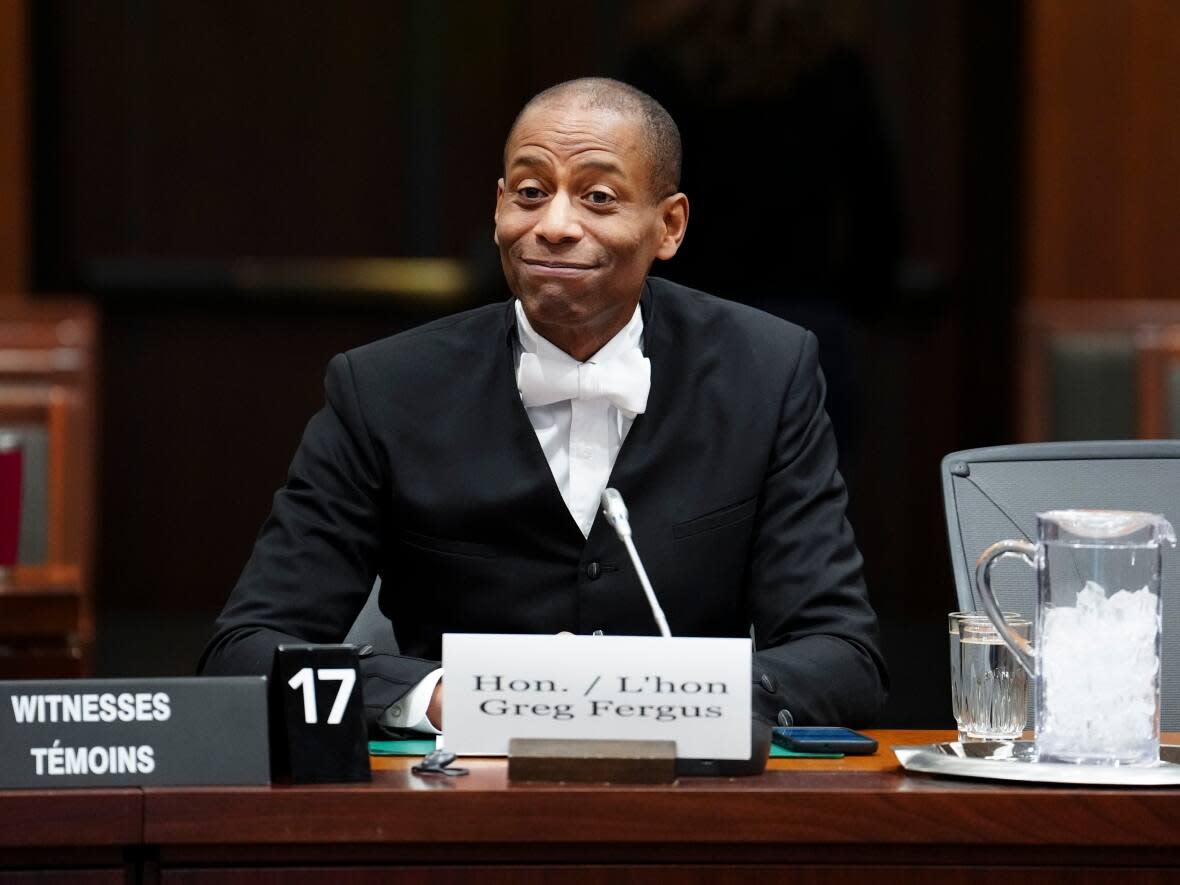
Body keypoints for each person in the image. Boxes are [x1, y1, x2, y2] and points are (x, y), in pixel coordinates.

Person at [199, 77, 888, 735]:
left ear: (669, 225)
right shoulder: (382, 387)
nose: (554, 224)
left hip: (686, 815)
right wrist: (443, 695)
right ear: (499, 206)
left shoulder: (765, 374)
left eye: (597, 197)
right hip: (452, 810)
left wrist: (663, 695)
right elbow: (245, 650)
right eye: (530, 191)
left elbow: (842, 656)